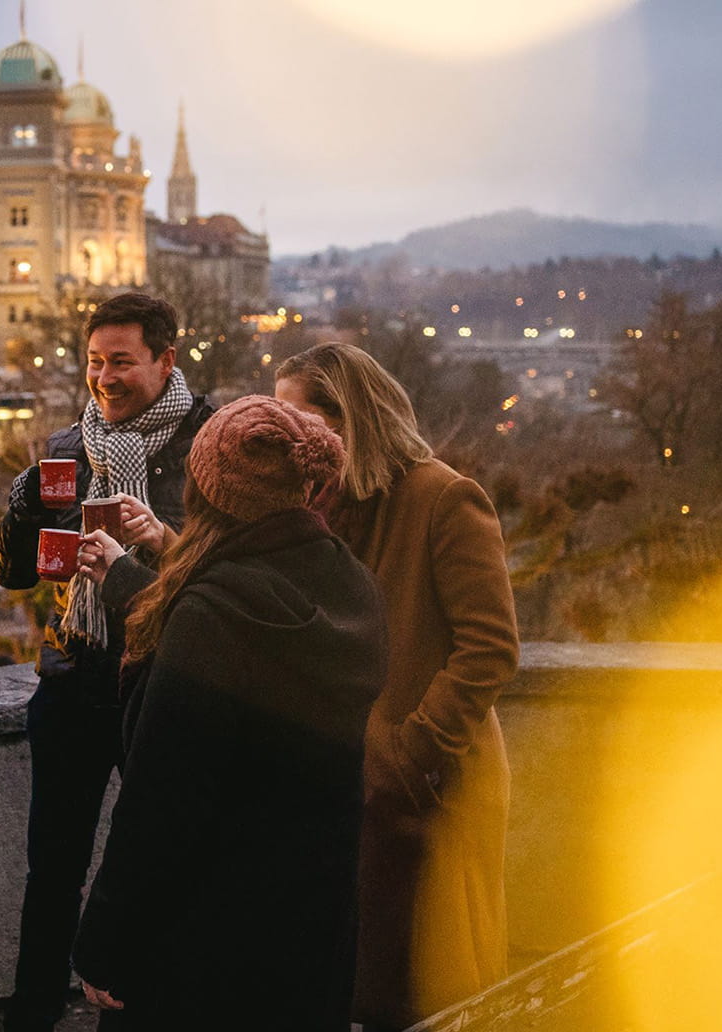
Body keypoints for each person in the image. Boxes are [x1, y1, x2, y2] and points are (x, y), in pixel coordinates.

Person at [65, 394, 386, 1028]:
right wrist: (129, 579)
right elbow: (241, 621)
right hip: (311, 925)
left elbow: (161, 803)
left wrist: (103, 941)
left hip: (205, 939)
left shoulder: (212, 617)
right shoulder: (350, 585)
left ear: (205, 495)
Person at [0, 292, 216, 1032]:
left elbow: (230, 579)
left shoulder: (212, 446)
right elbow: (9, 572)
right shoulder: (66, 445)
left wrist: (157, 542)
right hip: (74, 677)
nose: (104, 378)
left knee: (166, 863)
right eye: (94, 362)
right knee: (52, 870)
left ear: (165, 361)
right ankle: (34, 1013)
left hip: (165, 685)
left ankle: (153, 1008)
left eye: (121, 362)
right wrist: (24, 506)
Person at [275, 342, 520, 1030]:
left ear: (349, 418)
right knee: (357, 978)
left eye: (298, 417)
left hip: (432, 785)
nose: (286, 434)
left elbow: (490, 648)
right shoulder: (315, 505)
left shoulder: (442, 497)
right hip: (348, 782)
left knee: (434, 988)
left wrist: (410, 754)